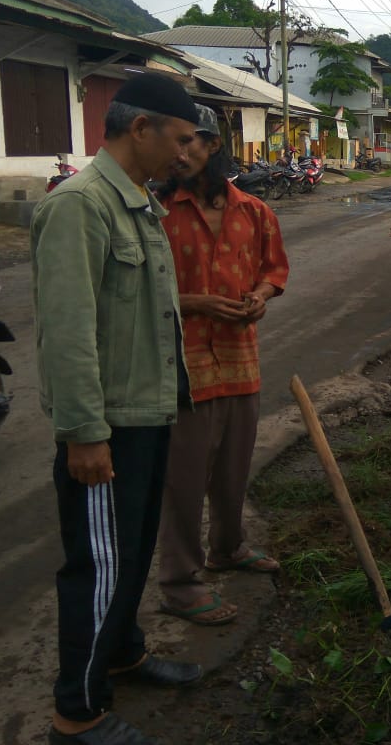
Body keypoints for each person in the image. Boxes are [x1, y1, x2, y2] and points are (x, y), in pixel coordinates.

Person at [31, 73, 203, 745]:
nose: (188, 154)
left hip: (145, 414)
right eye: (182, 139)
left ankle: (123, 651)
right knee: (98, 562)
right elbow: (68, 333)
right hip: (106, 428)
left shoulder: (138, 203)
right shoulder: (80, 206)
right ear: (142, 129)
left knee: (129, 551)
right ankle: (75, 712)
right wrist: (82, 435)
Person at [155, 105, 289, 626]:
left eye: (190, 142)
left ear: (213, 146)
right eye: (175, 142)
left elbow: (274, 269)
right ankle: (179, 582)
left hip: (240, 360)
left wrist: (259, 295)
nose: (179, 153)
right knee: (183, 480)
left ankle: (228, 547)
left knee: (234, 469)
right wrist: (197, 304)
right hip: (182, 366)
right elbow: (140, 294)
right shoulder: (156, 213)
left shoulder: (254, 211)